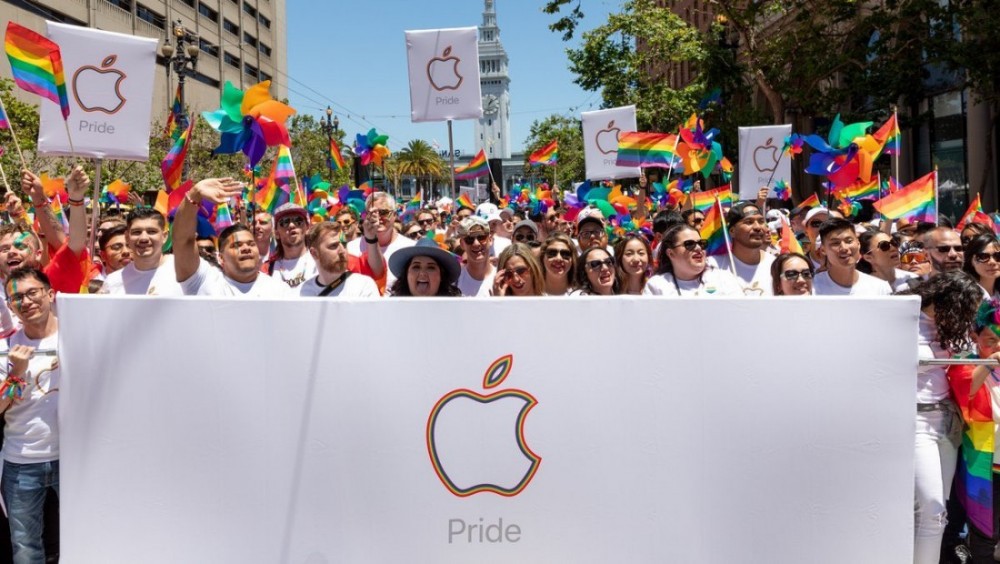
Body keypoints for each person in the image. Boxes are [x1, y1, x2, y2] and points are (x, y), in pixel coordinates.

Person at [902, 272, 984, 563]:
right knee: (931, 508)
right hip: (915, 422)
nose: (969, 318)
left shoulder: (948, 329)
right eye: (967, 310)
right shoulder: (903, 322)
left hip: (947, 423)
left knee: (938, 512)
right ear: (951, 302)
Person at [0, 267, 63, 563]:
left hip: (75, 458)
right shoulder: (5, 348)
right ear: (10, 306)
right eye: (17, 298)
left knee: (85, 536)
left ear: (50, 294)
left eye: (32, 292)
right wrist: (17, 372)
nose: (25, 301)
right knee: (26, 548)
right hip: (21, 462)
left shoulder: (78, 336)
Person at [945, 298, 1000, 563]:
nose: (998, 347)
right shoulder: (964, 362)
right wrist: (989, 364)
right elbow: (964, 392)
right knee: (984, 533)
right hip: (985, 465)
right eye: (991, 340)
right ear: (974, 337)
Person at [174, 178, 289, 297]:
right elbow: (183, 241)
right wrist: (195, 194)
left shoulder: (280, 291)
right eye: (236, 245)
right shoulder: (204, 282)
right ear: (221, 258)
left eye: (251, 244)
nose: (246, 248)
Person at [99, 207, 183, 296]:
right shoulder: (113, 282)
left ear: (164, 236)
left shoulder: (185, 270)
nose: (144, 238)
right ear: (127, 237)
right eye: (137, 232)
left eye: (151, 231)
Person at [643, 223, 743, 296]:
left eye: (701, 243)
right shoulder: (656, 285)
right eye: (689, 244)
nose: (698, 248)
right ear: (671, 254)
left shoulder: (724, 279)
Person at [346, 192, 412, 289]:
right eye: (372, 213)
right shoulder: (352, 248)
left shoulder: (410, 247)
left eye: (383, 213)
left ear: (394, 215)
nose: (377, 218)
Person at [811, 218, 892, 296]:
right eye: (835, 243)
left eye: (849, 241)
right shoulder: (812, 287)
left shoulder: (880, 289)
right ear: (823, 250)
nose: (844, 248)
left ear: (858, 244)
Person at [299, 222, 378, 298]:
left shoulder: (363, 286)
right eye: (333, 246)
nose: (342, 251)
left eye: (344, 244)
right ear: (315, 253)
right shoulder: (301, 293)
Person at [714, 201, 775, 295]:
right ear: (732, 231)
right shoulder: (714, 266)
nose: (757, 227)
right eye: (749, 222)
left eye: (761, 221)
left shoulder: (775, 265)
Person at [387, 238, 462, 297]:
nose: (422, 273)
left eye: (430, 268)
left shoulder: (458, 307)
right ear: (406, 274)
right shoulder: (390, 308)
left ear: (441, 276)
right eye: (416, 267)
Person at [265, 203, 316, 288]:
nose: (291, 225)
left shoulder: (321, 260)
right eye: (284, 222)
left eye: (298, 220)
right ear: (276, 233)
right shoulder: (266, 269)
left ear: (307, 228)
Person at [456, 217, 496, 297]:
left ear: (490, 240)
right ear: (462, 244)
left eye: (481, 237)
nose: (476, 244)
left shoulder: (500, 279)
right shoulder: (455, 281)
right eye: (469, 239)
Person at [963, 233, 1000, 300]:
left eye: (998, 256)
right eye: (983, 256)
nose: (992, 262)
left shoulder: (997, 293)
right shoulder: (964, 296)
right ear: (971, 261)